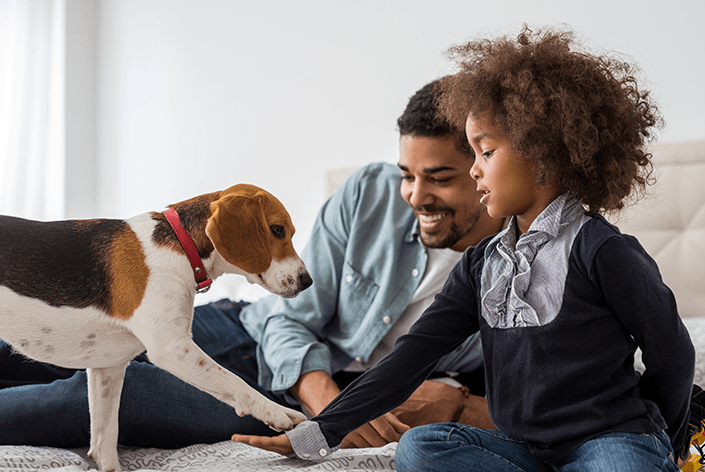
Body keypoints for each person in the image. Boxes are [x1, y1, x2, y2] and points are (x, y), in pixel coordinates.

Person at [232, 26, 696, 471]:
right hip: (527, 450)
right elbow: (409, 360)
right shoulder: (481, 264)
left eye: (486, 152)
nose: (474, 171)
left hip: (607, 439)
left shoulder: (604, 251)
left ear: (544, 155)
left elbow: (673, 356)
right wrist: (317, 434)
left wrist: (663, 439)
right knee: (421, 448)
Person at [0, 79, 504, 449]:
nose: (415, 196)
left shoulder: (519, 265)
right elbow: (292, 317)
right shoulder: (370, 193)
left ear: (484, 166)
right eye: (407, 175)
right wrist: (324, 399)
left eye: (439, 178)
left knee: (104, 398)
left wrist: (454, 401)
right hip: (251, 333)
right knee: (30, 349)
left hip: (313, 388)